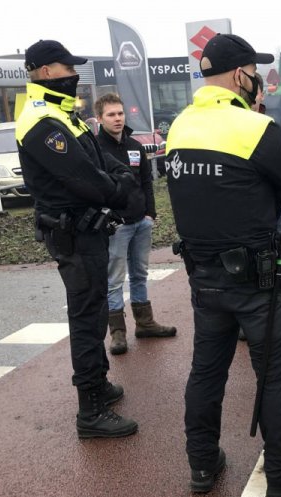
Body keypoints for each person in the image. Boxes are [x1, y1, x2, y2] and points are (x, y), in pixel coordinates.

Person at [165, 33, 281, 497]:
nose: (258, 80)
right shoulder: (254, 127)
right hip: (257, 282)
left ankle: (202, 463)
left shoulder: (179, 126)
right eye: (255, 72)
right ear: (241, 75)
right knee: (276, 376)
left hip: (204, 279)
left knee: (206, 372)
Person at [16, 40, 138, 438]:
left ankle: (98, 382)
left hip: (87, 230)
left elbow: (100, 161)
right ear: (47, 72)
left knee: (96, 310)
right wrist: (120, 189)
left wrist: (119, 177)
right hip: (73, 233)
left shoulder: (63, 114)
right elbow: (84, 178)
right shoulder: (40, 120)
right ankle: (91, 410)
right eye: (68, 68)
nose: (74, 74)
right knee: (86, 318)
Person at [94, 93, 176, 356]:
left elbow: (146, 182)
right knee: (114, 279)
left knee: (140, 275)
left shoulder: (134, 146)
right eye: (111, 115)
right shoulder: (95, 149)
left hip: (142, 222)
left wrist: (150, 214)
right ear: (99, 119)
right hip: (116, 226)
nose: (118, 118)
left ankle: (145, 323)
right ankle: (118, 333)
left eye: (120, 113)